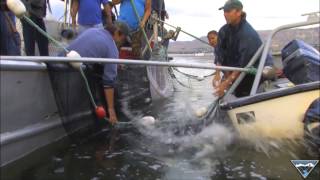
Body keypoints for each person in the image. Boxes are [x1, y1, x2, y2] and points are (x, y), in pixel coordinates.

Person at [63, 21, 130, 125]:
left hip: (59, 60)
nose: (122, 42)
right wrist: (111, 112)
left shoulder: (92, 31)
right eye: (123, 39)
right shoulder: (112, 48)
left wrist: (115, 64)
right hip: (67, 74)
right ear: (118, 33)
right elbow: (108, 82)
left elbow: (93, 49)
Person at [214, 0, 274, 98]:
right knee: (227, 89)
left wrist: (226, 83)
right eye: (224, 11)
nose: (225, 14)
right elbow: (220, 53)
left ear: (238, 12)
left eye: (228, 11)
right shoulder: (223, 31)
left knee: (244, 92)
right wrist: (217, 75)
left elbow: (244, 65)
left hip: (253, 70)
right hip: (236, 68)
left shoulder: (248, 34)